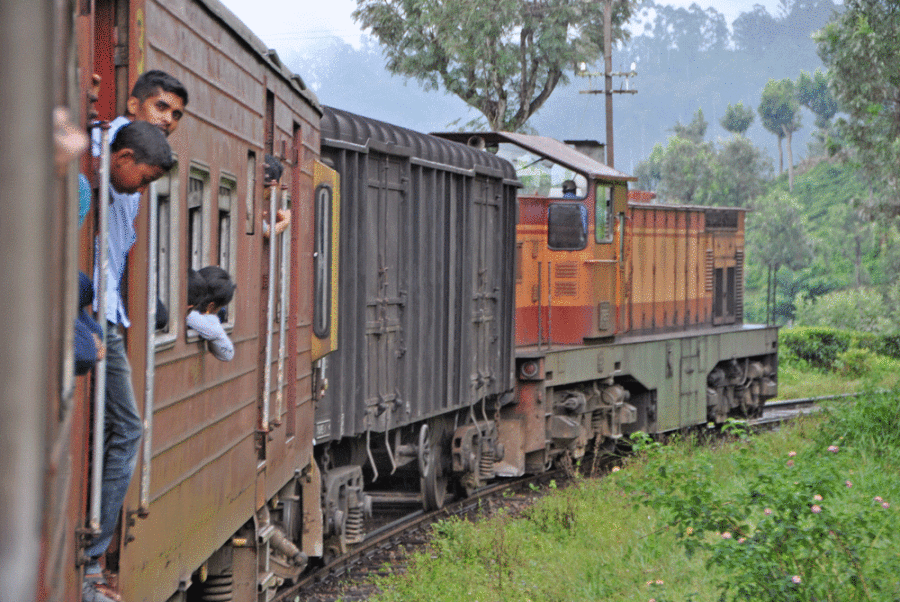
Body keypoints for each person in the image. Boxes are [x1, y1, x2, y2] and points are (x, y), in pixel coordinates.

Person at [83, 120, 174, 602]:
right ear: (121, 160)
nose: (145, 189)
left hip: (107, 316)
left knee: (111, 430)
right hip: (100, 319)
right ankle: (92, 550)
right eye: (145, 178)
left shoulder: (120, 184)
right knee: (129, 428)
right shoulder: (100, 170)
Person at [186, 267, 236, 362]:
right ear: (211, 306)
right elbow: (228, 354)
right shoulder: (191, 317)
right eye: (219, 308)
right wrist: (210, 317)